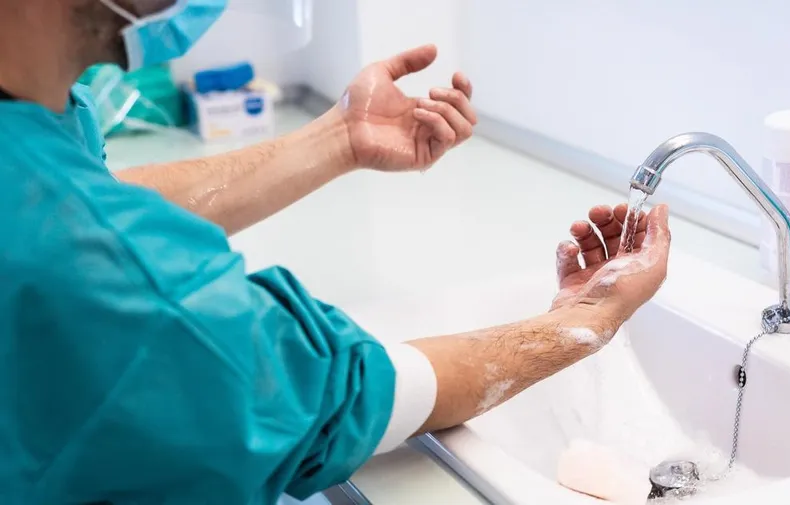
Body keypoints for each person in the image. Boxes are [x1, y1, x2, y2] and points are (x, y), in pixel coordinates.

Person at [0, 0, 672, 504]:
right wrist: (583, 319)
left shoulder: (33, 149)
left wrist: (337, 140)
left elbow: (76, 201)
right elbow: (332, 397)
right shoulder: (120, 278)